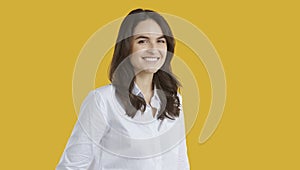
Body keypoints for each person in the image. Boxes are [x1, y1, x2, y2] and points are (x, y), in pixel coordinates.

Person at [56, 8, 190, 170]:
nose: (153, 48)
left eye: (160, 41)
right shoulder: (102, 101)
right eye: (142, 41)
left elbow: (180, 162)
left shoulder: (174, 100)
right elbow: (71, 166)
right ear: (127, 47)